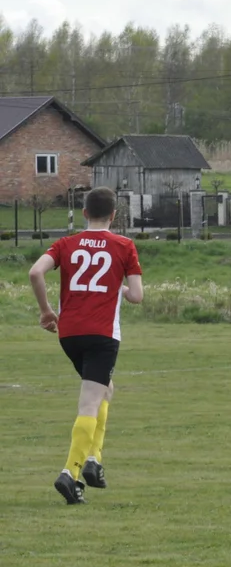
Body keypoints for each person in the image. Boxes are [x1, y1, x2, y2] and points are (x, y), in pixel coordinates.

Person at [28, 187, 144, 505]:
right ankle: (71, 472)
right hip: (102, 334)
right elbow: (136, 296)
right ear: (114, 215)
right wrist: (116, 287)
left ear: (84, 214)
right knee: (90, 402)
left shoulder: (66, 244)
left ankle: (94, 461)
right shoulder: (124, 245)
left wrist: (46, 311)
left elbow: (36, 272)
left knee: (105, 389)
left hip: (69, 333)